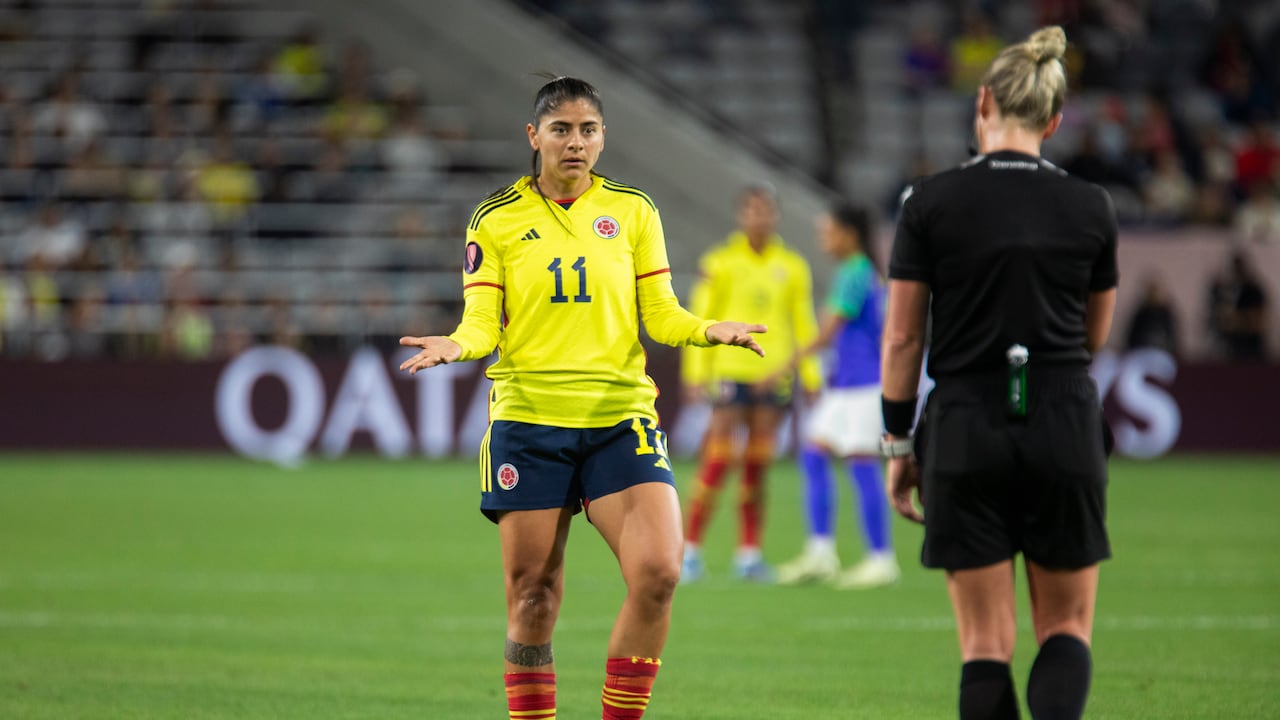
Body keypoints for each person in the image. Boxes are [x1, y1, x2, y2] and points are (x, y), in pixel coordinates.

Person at [398, 76, 766, 720]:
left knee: (659, 574)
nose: (576, 142)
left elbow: (662, 315)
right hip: (529, 421)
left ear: (603, 137)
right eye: (562, 129)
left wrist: (710, 330)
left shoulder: (633, 211)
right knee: (533, 598)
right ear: (533, 135)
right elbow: (484, 322)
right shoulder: (496, 219)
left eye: (588, 129)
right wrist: (457, 344)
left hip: (618, 418)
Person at [881, 27, 1118, 720]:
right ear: (1054, 118)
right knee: (1067, 631)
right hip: (1062, 417)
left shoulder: (928, 202)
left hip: (963, 423)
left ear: (982, 102)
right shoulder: (1091, 206)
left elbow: (902, 339)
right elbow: (1091, 338)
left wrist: (899, 444)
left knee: (985, 642)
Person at [678, 183, 821, 583]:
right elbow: (702, 319)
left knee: (757, 464)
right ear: (741, 216)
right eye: (751, 210)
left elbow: (802, 321)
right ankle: (689, 551)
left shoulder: (792, 265)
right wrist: (695, 373)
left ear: (774, 215)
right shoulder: (720, 261)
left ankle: (749, 553)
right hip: (729, 371)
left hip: (773, 373)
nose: (759, 217)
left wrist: (809, 374)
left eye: (765, 210)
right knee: (718, 458)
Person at [775, 203, 900, 589]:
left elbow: (828, 331)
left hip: (862, 385)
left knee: (861, 464)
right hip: (847, 385)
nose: (824, 238)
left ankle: (882, 559)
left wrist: (784, 366)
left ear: (849, 233)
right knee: (814, 455)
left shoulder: (856, 272)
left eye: (829, 230)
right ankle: (821, 553)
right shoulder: (862, 271)